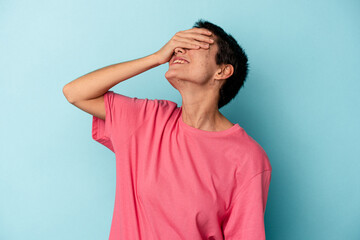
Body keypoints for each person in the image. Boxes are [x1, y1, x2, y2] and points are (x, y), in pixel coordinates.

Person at [63, 19, 272, 240]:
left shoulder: (248, 158)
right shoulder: (148, 119)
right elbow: (75, 92)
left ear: (222, 71)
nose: (179, 48)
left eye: (196, 43)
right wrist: (155, 58)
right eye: (180, 43)